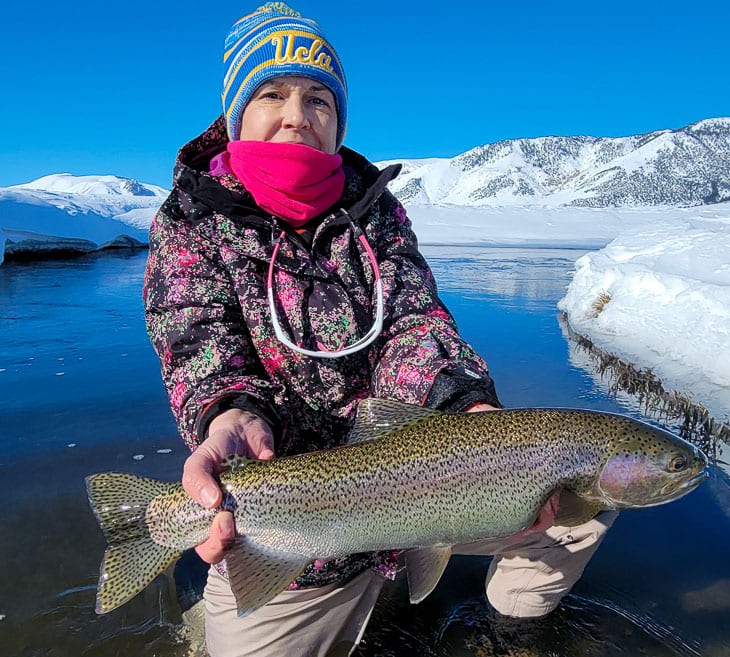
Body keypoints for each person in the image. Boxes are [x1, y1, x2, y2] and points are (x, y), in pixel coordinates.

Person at [142, 3, 617, 655]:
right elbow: (202, 353)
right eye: (272, 94)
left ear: (337, 120)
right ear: (235, 114)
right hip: (296, 533)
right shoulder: (190, 226)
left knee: (583, 494)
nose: (296, 115)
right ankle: (227, 603)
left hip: (427, 490)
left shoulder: (377, 215)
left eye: (318, 99)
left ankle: (511, 630)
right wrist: (229, 418)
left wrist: (467, 409)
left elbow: (414, 324)